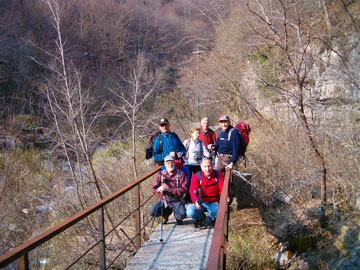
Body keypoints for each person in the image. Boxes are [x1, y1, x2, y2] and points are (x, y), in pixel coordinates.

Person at [149, 155, 187, 225]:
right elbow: (153, 189)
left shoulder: (181, 174)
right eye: (167, 163)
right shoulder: (161, 174)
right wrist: (158, 189)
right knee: (152, 211)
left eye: (171, 162)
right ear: (165, 164)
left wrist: (170, 189)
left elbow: (184, 189)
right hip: (164, 200)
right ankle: (166, 214)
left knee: (182, 215)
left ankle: (178, 217)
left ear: (174, 163)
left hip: (176, 200)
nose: (170, 164)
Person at [186, 158, 224, 228]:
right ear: (201, 167)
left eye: (209, 166)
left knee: (215, 211)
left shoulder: (218, 175)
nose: (207, 169)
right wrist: (196, 202)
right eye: (205, 167)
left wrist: (223, 201)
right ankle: (200, 217)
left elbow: (223, 190)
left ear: (212, 166)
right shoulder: (196, 177)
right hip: (201, 202)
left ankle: (213, 219)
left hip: (214, 202)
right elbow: (192, 191)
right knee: (190, 211)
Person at [183, 127, 210, 201]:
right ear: (192, 134)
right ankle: (186, 198)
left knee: (198, 181)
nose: (198, 135)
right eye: (196, 133)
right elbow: (182, 150)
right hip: (188, 164)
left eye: (198, 133)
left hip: (198, 164)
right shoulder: (187, 142)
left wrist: (208, 156)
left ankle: (198, 196)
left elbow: (206, 152)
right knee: (187, 181)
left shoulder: (201, 143)